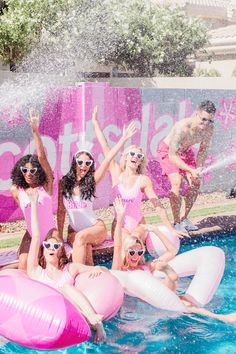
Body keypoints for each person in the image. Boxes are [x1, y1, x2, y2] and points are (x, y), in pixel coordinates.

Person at [112, 197, 236, 323]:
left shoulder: (147, 266)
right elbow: (117, 246)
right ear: (125, 252)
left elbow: (171, 251)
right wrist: (120, 216)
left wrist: (156, 230)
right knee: (184, 304)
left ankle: (170, 278)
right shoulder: (119, 269)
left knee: (182, 302)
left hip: (160, 294)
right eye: (132, 252)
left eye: (140, 252)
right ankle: (221, 318)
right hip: (149, 297)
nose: (136, 256)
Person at [92, 107, 187, 245]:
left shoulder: (143, 180)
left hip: (139, 224)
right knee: (127, 245)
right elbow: (105, 147)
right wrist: (95, 122)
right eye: (132, 154)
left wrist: (170, 228)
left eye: (139, 156)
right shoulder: (116, 172)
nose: (135, 157)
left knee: (135, 244)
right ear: (125, 157)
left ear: (140, 161)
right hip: (120, 225)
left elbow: (157, 205)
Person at [26, 188, 107, 343]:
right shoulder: (36, 271)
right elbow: (36, 235)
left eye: (56, 246)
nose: (51, 249)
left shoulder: (69, 269)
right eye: (48, 245)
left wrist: (99, 270)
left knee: (67, 287)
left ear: (61, 251)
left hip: (74, 316)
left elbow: (99, 269)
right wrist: (34, 204)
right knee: (64, 288)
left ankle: (96, 324)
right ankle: (93, 320)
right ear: (42, 249)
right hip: (50, 316)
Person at [57, 108, 136, 265]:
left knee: (82, 238)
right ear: (74, 163)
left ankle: (76, 273)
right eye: (80, 162)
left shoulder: (91, 181)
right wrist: (59, 237)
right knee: (83, 246)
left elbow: (108, 159)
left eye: (88, 163)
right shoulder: (64, 183)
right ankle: (90, 272)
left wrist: (123, 139)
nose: (84, 166)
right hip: (74, 231)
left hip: (96, 228)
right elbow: (61, 212)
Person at [157, 100, 216, 232]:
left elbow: (203, 150)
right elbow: (172, 155)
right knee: (177, 183)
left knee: (195, 183)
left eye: (210, 121)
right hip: (168, 151)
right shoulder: (182, 127)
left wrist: (199, 168)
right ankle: (177, 222)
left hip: (186, 152)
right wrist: (190, 169)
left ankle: (184, 218)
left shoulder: (209, 130)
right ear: (196, 114)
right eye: (203, 119)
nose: (206, 124)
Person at [10, 108, 55, 270]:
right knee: (23, 265)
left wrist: (35, 131)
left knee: (49, 265)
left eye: (32, 170)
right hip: (31, 234)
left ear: (39, 171)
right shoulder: (16, 190)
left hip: (50, 235)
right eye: (24, 170)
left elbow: (42, 157)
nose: (28, 173)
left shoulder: (46, 186)